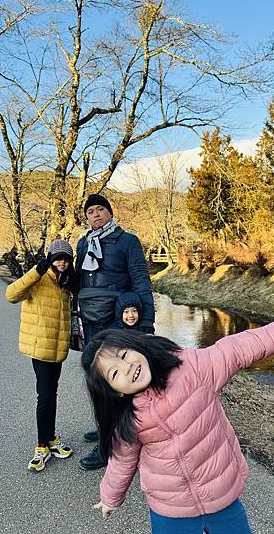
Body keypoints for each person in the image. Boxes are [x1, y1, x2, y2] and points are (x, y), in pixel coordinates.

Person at [81, 306, 274, 533]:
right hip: (170, 508)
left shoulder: (193, 368)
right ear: (114, 391)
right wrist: (110, 498)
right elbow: (122, 461)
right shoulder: (128, 417)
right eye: (114, 373)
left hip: (220, 494)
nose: (126, 368)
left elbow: (238, 348)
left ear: (137, 346)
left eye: (124, 355)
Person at [76, 193, 155, 470]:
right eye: (90, 212)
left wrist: (146, 322)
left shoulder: (127, 241)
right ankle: (105, 426)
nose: (96, 214)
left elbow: (140, 279)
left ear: (110, 212)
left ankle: (111, 442)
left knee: (117, 380)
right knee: (96, 378)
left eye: (100, 209)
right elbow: (78, 282)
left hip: (118, 321)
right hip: (90, 319)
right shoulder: (84, 243)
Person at [6, 239, 77, 472]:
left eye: (66, 258)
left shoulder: (66, 282)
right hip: (40, 348)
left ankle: (51, 439)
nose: (62, 262)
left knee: (51, 394)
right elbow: (11, 294)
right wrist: (37, 269)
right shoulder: (39, 278)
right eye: (57, 257)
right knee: (45, 396)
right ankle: (41, 446)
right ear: (49, 258)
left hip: (57, 350)